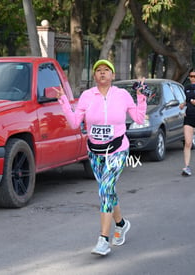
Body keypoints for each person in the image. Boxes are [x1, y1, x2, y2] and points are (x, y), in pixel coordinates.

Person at [55, 59, 147, 256]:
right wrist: (63, 101)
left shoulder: (122, 95)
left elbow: (139, 118)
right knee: (108, 191)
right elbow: (74, 123)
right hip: (95, 152)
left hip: (118, 149)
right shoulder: (87, 96)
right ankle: (121, 224)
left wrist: (141, 97)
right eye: (98, 71)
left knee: (105, 189)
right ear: (94, 76)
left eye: (106, 70)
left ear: (113, 75)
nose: (102, 73)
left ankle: (103, 239)